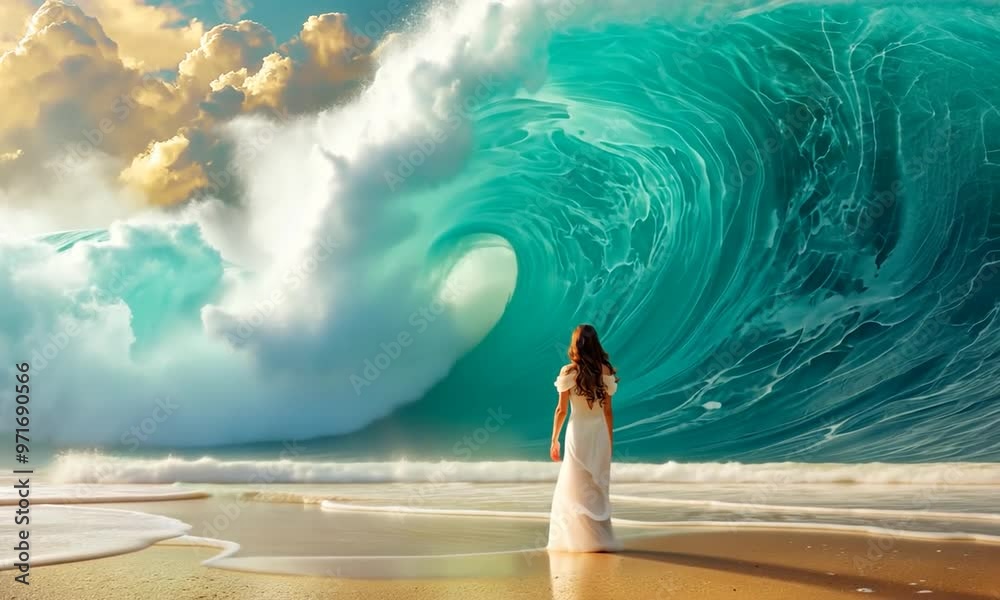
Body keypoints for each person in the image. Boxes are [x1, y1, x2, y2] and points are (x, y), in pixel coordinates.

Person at [547, 323, 622, 552]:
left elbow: (561, 410)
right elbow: (608, 411)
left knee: (575, 482)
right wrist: (609, 440)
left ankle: (576, 540)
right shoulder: (606, 371)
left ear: (575, 344)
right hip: (598, 431)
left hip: (576, 431)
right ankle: (600, 540)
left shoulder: (568, 372)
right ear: (595, 343)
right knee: (597, 483)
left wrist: (554, 439)